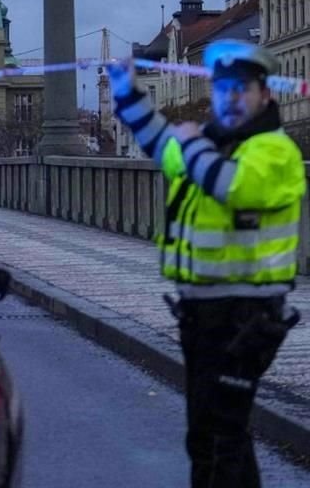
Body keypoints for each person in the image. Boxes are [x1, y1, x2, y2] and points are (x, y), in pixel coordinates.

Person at [108, 39, 304, 487]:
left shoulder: (273, 150)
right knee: (219, 430)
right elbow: (160, 143)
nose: (230, 99)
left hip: (245, 315)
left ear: (264, 95)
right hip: (204, 313)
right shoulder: (214, 142)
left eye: (242, 89)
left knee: (216, 435)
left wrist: (192, 145)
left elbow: (231, 186)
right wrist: (126, 91)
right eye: (223, 90)